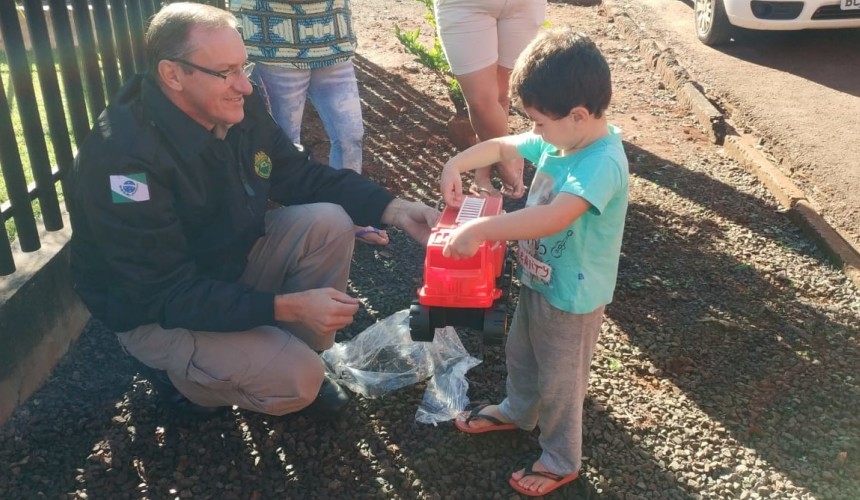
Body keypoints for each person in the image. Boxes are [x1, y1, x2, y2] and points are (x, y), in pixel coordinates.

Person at [67, 2, 438, 420]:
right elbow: (165, 294)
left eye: (244, 67)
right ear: (172, 74)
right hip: (157, 311)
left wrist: (395, 208)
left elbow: (299, 176)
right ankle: (176, 377)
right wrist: (289, 306)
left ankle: (283, 350)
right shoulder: (123, 162)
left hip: (220, 263)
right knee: (298, 380)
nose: (244, 86)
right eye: (226, 72)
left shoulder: (231, 104)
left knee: (330, 221)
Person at [439, 29, 629, 496]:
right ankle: (519, 411)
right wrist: (456, 163)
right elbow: (504, 145)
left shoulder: (601, 162)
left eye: (539, 122)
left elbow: (552, 217)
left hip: (573, 298)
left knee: (562, 381)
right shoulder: (561, 138)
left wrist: (480, 230)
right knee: (522, 353)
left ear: (579, 115)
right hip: (541, 281)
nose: (535, 132)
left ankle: (561, 457)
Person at [233, 0, 389, 245]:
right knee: (284, 145)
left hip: (332, 40)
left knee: (351, 135)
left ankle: (350, 214)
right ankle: (301, 228)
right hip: (275, 45)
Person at [434, 0, 546, 199]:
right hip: (465, 5)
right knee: (481, 102)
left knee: (502, 96)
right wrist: (506, 157)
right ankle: (506, 158)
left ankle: (482, 175)